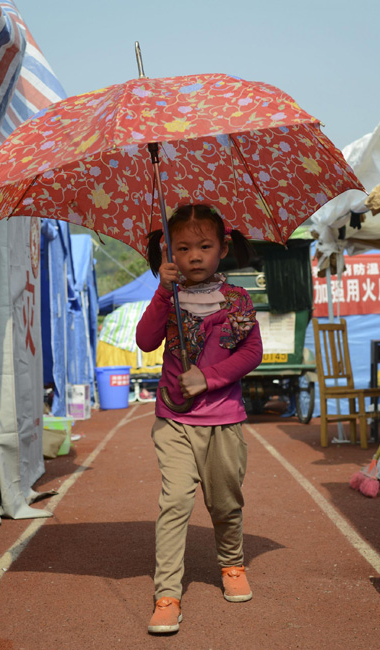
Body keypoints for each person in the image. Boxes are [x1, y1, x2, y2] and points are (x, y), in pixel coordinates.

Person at [136, 204, 263, 635]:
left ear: (222, 248)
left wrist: (208, 378)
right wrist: (159, 291)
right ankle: (167, 593)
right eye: (183, 247)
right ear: (168, 251)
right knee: (175, 502)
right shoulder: (166, 297)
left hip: (224, 420)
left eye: (204, 246)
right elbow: (145, 340)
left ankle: (231, 563)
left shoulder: (237, 300)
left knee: (225, 503)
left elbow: (251, 354)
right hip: (173, 419)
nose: (193, 256)